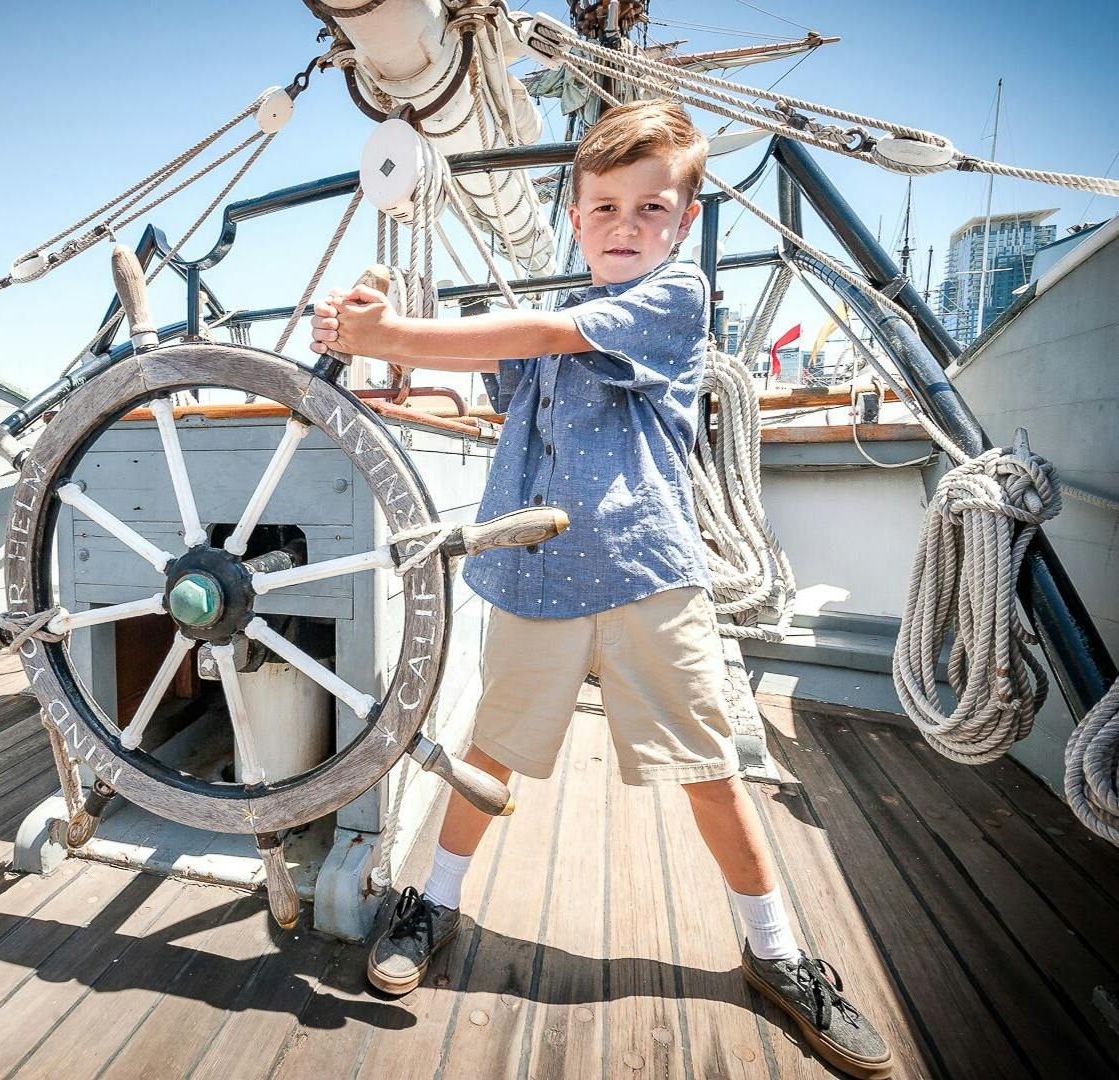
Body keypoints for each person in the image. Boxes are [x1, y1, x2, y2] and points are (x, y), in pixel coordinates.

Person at [309, 99, 891, 1080]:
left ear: (686, 220)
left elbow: (535, 329)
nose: (626, 227)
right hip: (532, 575)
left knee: (707, 767)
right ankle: (434, 903)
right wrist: (367, 340)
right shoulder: (557, 325)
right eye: (606, 208)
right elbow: (480, 378)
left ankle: (778, 952)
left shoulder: (673, 303)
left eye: (649, 210)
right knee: (488, 755)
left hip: (644, 579)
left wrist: (400, 334)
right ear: (574, 218)